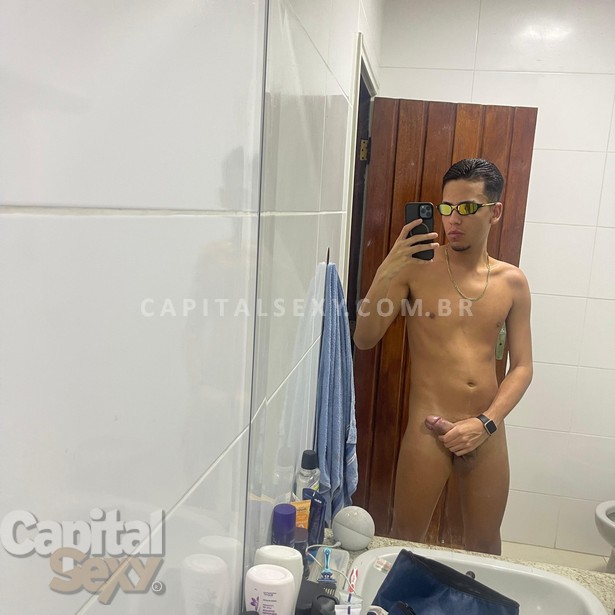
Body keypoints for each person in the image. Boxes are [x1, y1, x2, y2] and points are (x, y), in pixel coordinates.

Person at [353, 158, 533, 555]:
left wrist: (486, 422)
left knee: (485, 545)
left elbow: (522, 366)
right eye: (447, 207)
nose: (453, 218)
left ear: (495, 212)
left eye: (467, 207)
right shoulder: (415, 271)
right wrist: (388, 267)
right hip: (428, 429)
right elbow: (364, 338)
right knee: (405, 541)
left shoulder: (512, 282)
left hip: (486, 428)